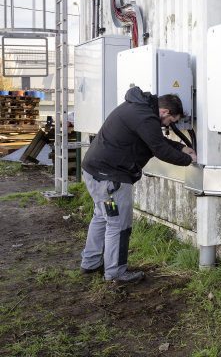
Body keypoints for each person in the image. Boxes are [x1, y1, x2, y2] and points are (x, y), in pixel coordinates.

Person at [79, 87, 197, 283]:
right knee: (118, 224)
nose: (168, 125)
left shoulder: (137, 108)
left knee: (102, 217)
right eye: (170, 122)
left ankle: (90, 263)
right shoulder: (145, 117)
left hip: (96, 172)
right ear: (164, 112)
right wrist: (187, 159)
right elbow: (159, 149)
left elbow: (152, 142)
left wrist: (182, 147)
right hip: (111, 178)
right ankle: (116, 272)